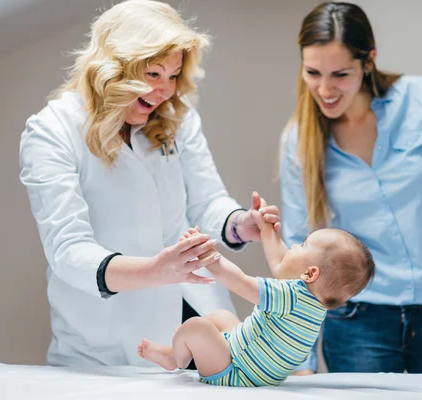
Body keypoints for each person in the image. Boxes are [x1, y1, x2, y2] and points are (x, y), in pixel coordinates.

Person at [18, 0, 281, 367]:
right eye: (154, 75)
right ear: (113, 67)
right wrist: (156, 271)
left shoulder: (177, 116)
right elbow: (67, 251)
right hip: (103, 340)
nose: (165, 92)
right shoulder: (52, 131)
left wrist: (239, 224)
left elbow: (206, 202)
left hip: (197, 314)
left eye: (173, 76)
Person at [280, 1, 422, 376]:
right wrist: (300, 356)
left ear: (368, 61)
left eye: (340, 74)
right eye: (312, 72)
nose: (325, 89)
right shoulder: (298, 140)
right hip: (357, 325)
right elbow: (299, 247)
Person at [137, 208, 376, 387]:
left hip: (235, 372)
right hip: (256, 369)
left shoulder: (291, 296)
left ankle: (173, 356)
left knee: (196, 326)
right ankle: (196, 346)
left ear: (310, 273)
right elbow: (282, 264)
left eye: (303, 245)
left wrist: (209, 256)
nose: (292, 247)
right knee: (223, 316)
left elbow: (240, 282)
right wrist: (266, 229)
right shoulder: (313, 308)